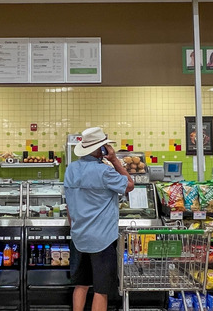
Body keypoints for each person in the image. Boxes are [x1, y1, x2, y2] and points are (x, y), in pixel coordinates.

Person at [64, 127, 134, 311]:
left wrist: (75, 227)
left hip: (79, 237)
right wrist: (114, 160)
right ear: (101, 149)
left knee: (81, 285)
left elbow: (68, 204)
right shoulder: (105, 171)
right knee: (100, 290)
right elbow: (130, 185)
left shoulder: (71, 169)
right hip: (102, 239)